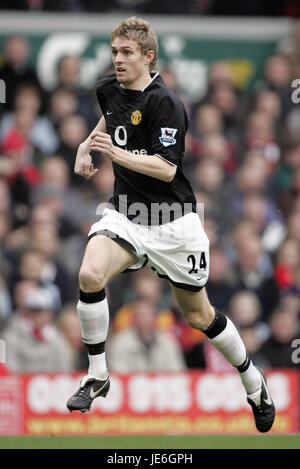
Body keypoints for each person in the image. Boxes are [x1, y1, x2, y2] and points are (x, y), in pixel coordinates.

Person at [66, 16, 275, 433]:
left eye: (126, 53)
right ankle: (97, 374)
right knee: (89, 274)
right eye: (114, 52)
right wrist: (84, 147)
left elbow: (164, 169)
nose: (118, 60)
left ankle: (253, 381)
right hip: (126, 215)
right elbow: (108, 121)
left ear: (149, 56)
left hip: (173, 224)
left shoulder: (167, 103)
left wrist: (112, 155)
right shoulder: (108, 89)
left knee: (200, 317)